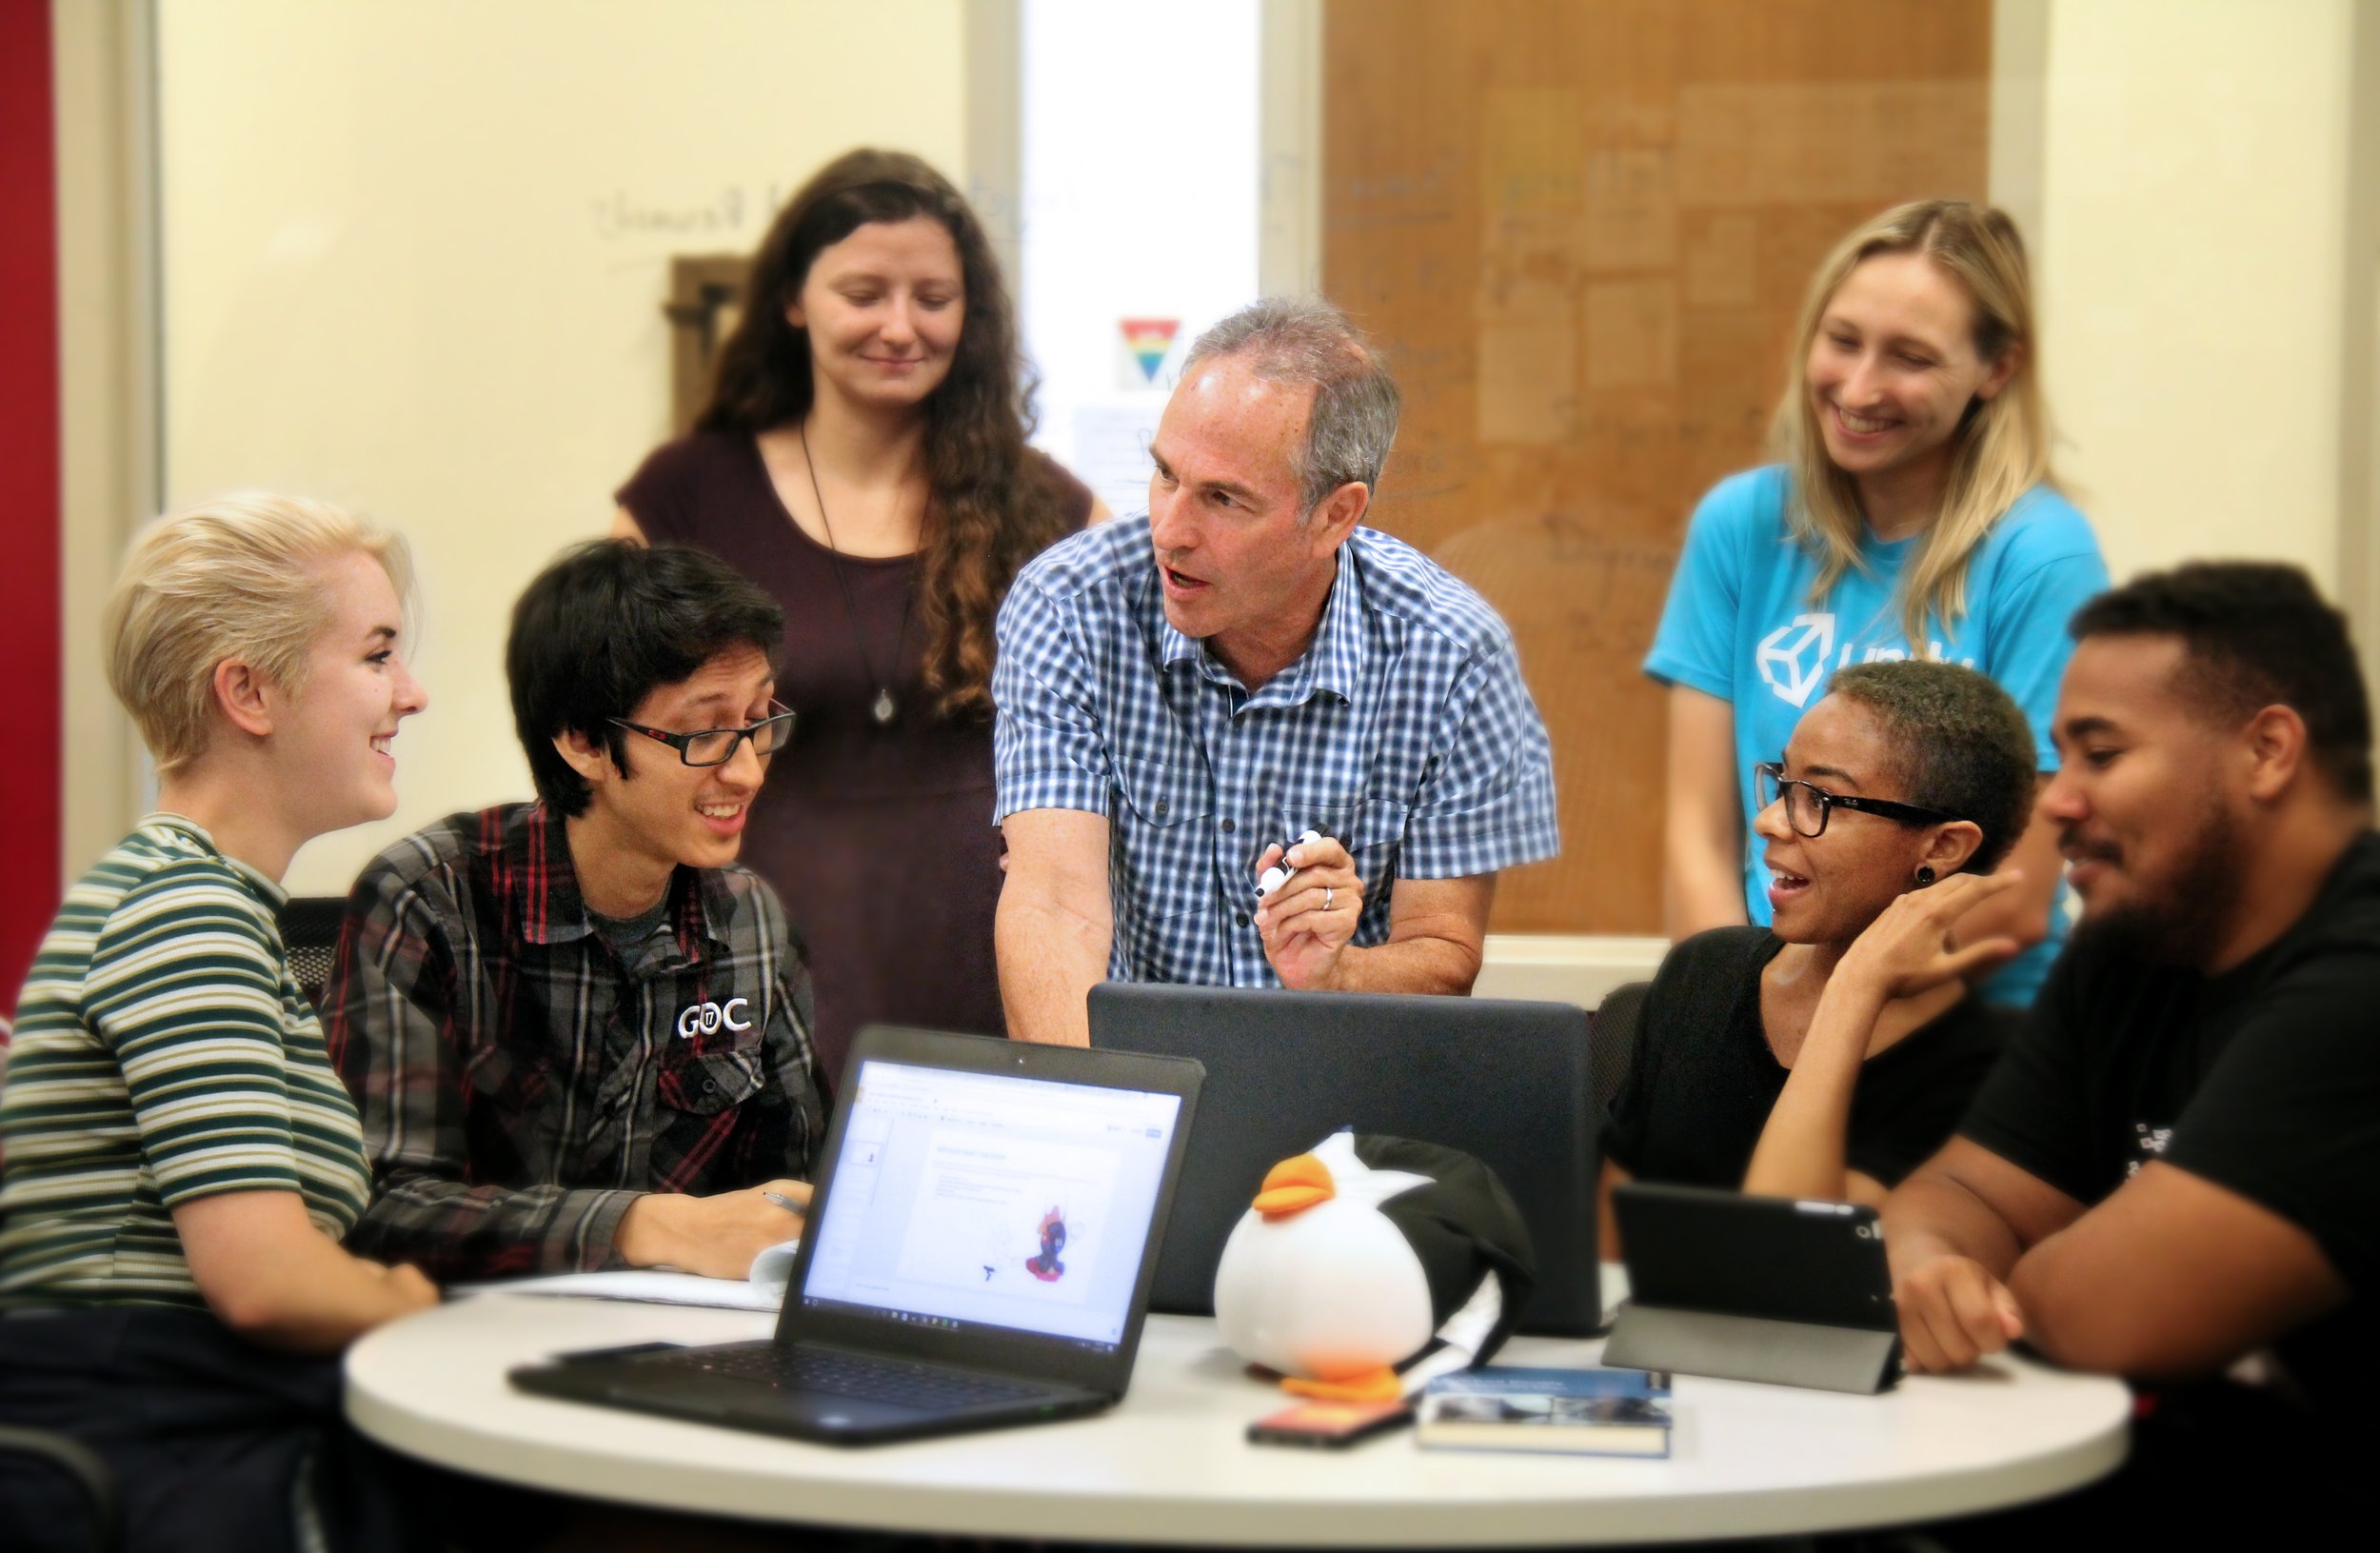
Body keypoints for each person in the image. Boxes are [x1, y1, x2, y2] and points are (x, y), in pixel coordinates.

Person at [0, 495, 467, 1553]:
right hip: (158, 1462)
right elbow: (265, 1281)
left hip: (178, 1440)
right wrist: (409, 1304)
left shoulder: (193, 900)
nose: (412, 691)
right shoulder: (184, 914)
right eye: (377, 653)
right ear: (247, 691)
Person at [1883, 564, 2378, 1553]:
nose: (2057, 801)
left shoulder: (2360, 978)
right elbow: (1954, 1198)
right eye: (2056, 757)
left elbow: (2121, 1315)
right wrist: (1926, 1259)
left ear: (2267, 750)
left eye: (2098, 754)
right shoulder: (2133, 938)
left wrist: (1990, 1275)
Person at [613, 149, 1100, 1089]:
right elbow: (617, 768)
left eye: (933, 297)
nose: (900, 326)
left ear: (973, 314)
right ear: (793, 301)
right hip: (747, 978)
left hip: (994, 982)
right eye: (864, 292)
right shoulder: (682, 499)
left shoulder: (1052, 512)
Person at [994, 297, 1560, 1046]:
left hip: (1344, 1102)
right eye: (1165, 474)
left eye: (1223, 499)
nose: (1169, 531)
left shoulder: (1453, 654)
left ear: (1336, 515)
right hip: (1132, 1078)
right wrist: (1102, 1128)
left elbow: (1445, 954)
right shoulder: (1068, 604)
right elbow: (1054, 907)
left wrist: (1338, 973)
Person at [323, 540, 823, 1284]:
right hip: (464, 1345)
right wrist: (641, 1224)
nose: (747, 768)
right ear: (583, 740)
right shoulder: (431, 898)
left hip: (683, 1350)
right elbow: (378, 1209)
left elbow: (792, 1193)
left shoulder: (749, 921)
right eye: (706, 733)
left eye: (758, 720)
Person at [1647, 198, 2107, 1006]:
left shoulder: (2042, 557)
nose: (1860, 387)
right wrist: (1731, 1023)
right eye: (1843, 340)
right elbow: (1697, 830)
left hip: (1964, 1028)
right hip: (1769, 1004)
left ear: (1996, 370)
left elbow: (2019, 890)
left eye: (1912, 357)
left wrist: (1824, 1028)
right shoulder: (1742, 525)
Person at [1599, 660, 2034, 1248]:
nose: (1769, 821)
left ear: (1943, 847)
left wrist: (1854, 987)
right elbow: (1612, 1251)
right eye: (1782, 785)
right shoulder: (1703, 971)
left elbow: (1787, 1258)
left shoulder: (1990, 1067)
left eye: (1820, 798)